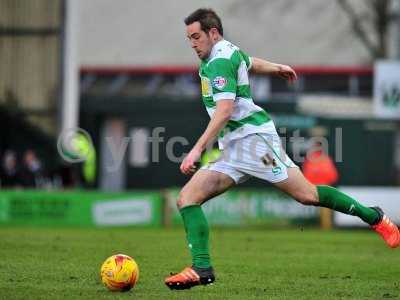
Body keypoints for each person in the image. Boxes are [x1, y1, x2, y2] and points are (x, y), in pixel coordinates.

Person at [165, 8, 400, 290]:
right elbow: (249, 62)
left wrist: (197, 149)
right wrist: (276, 67)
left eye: (196, 36)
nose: (192, 43)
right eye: (189, 38)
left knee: (307, 195)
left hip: (254, 141)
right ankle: (201, 268)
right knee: (187, 198)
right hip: (234, 148)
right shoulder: (226, 52)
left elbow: (225, 111)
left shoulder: (219, 62)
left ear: (213, 33)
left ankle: (373, 216)